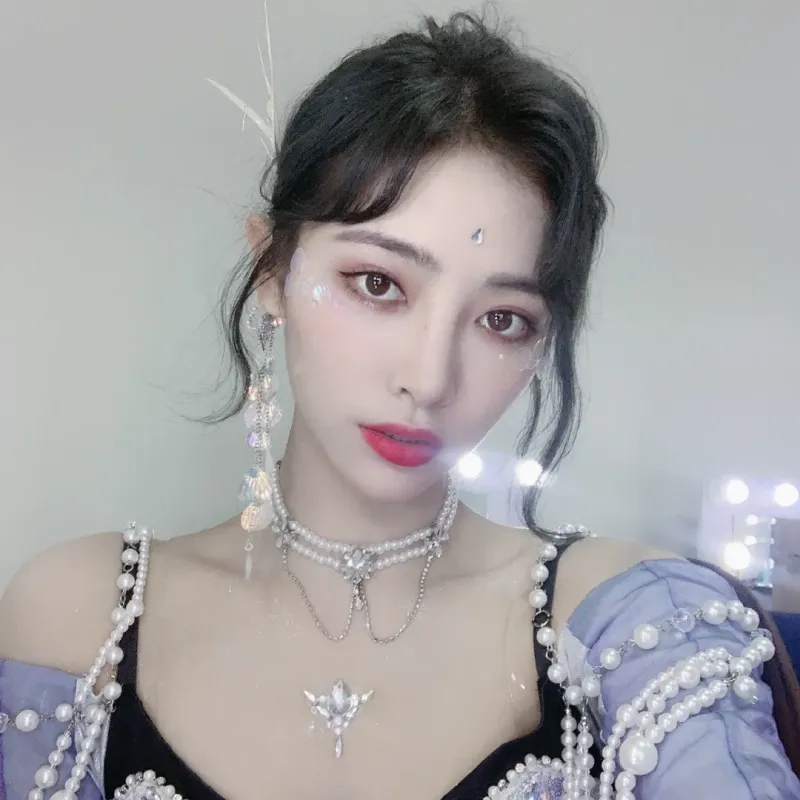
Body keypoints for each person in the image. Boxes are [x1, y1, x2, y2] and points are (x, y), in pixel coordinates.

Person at [0, 10, 798, 800]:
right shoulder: (84, 613)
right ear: (272, 270)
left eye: (502, 320)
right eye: (378, 283)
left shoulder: (638, 621)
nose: (430, 378)